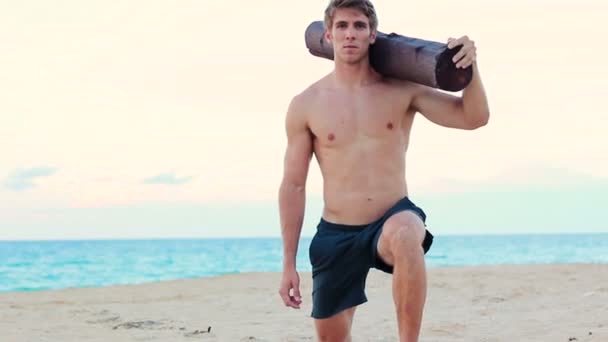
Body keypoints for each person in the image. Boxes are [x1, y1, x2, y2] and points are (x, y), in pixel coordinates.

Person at [278, 0, 490, 341]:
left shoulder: (402, 89)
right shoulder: (307, 104)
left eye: (359, 26)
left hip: (392, 218)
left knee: (407, 233)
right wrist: (288, 263)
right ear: (328, 36)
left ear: (373, 35)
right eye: (343, 26)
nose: (351, 34)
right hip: (336, 232)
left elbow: (473, 117)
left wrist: (471, 68)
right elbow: (293, 185)